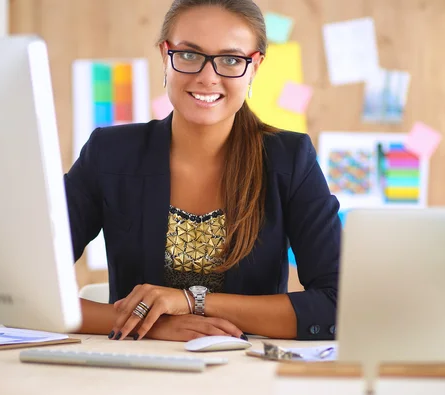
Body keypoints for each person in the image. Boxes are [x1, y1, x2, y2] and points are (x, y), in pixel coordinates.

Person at [65, 0, 341, 342]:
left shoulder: (290, 159)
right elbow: (30, 289)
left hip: (243, 373)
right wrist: (157, 326)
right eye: (189, 55)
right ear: (165, 55)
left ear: (254, 66)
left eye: (230, 60)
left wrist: (191, 302)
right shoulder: (109, 154)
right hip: (134, 368)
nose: (207, 77)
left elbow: (339, 305)